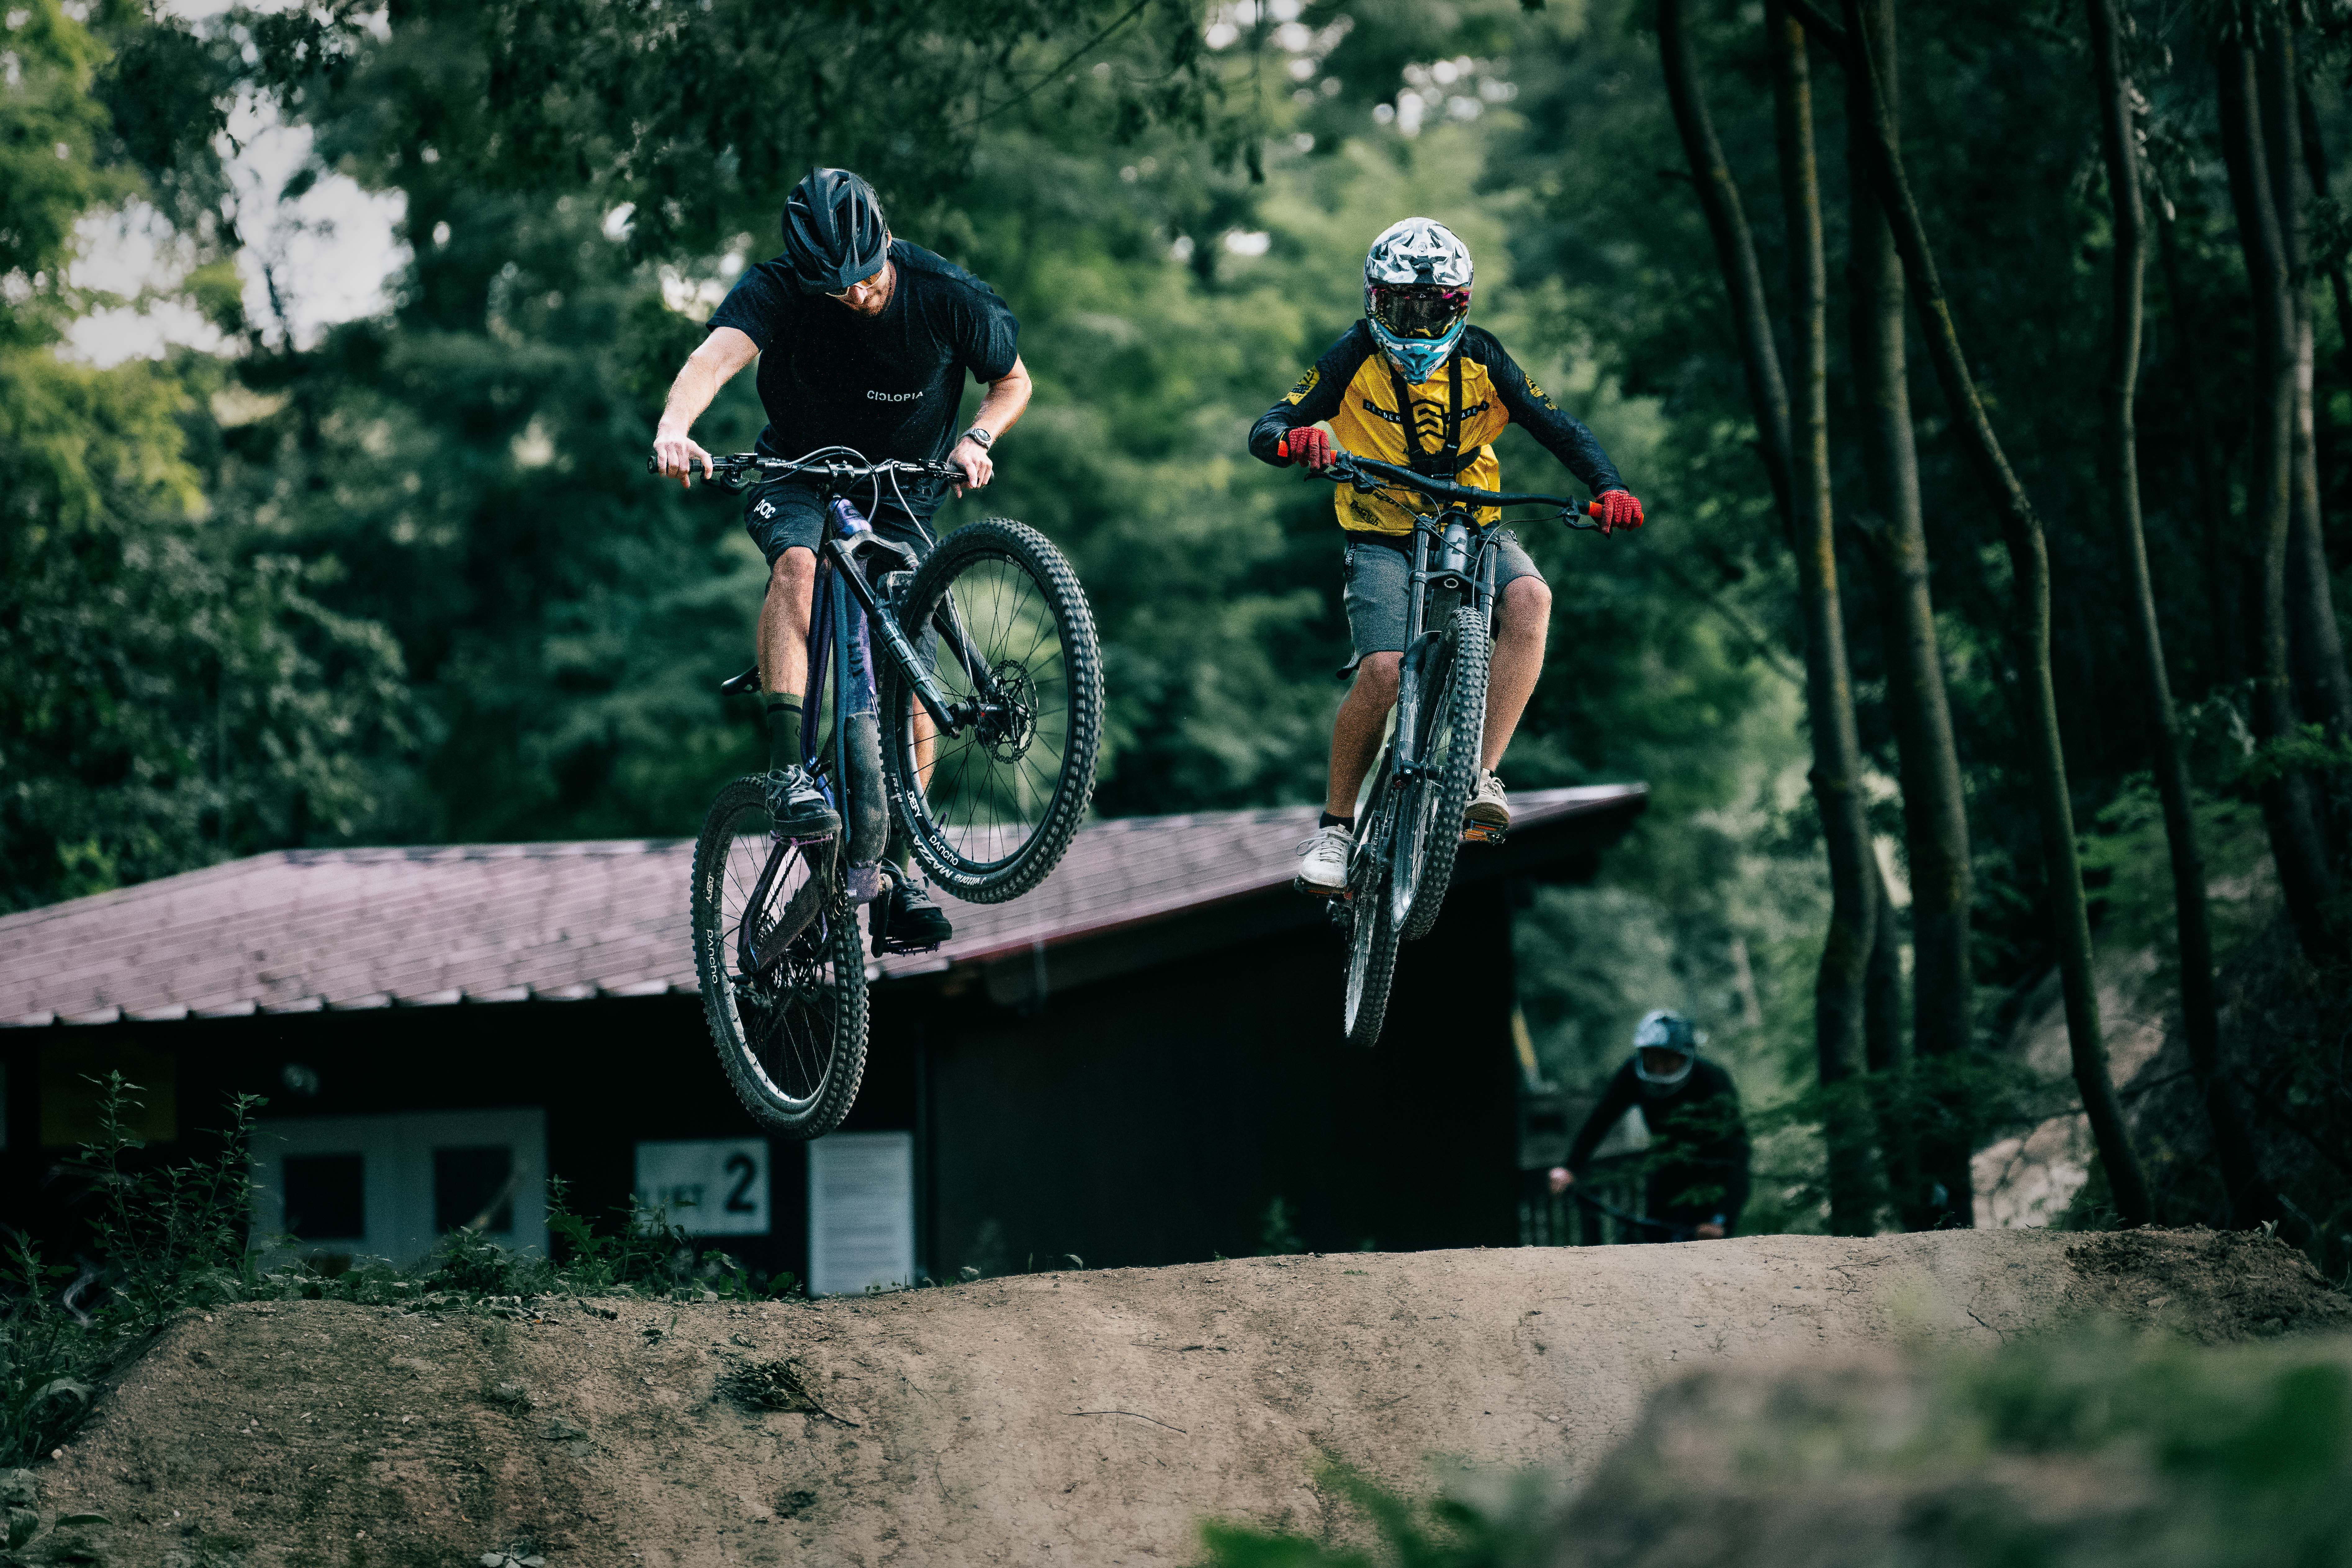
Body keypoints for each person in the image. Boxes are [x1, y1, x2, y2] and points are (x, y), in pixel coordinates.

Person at [650, 167, 1032, 952]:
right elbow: (713, 358)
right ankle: (789, 771)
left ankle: (898, 871)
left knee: (914, 682)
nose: (854, 296)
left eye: (864, 279)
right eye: (834, 287)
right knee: (797, 563)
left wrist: (978, 438)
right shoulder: (779, 288)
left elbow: (1011, 380)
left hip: (903, 493)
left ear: (884, 245)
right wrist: (674, 426)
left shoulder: (946, 293)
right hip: (796, 473)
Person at [1248, 217, 1647, 894]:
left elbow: (1561, 428)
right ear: (1375, 301)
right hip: (1380, 527)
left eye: (1435, 309)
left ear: (1461, 306)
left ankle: (1479, 775)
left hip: (1475, 520)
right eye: (1401, 306)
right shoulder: (1352, 356)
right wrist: (1298, 443)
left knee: (1532, 599)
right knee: (1382, 671)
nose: (1417, 322)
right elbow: (1271, 424)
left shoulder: (1486, 360)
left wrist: (1608, 486)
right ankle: (1336, 829)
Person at [1549, 1010, 1749, 1241]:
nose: (1660, 1068)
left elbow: (1738, 1151)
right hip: (1664, 1167)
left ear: (1685, 1056)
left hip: (1713, 1174)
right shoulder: (1632, 1074)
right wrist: (1569, 1168)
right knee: (1656, 1242)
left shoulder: (1712, 1080)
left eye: (1668, 1059)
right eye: (1652, 1058)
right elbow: (1601, 1120)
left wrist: (1720, 1217)